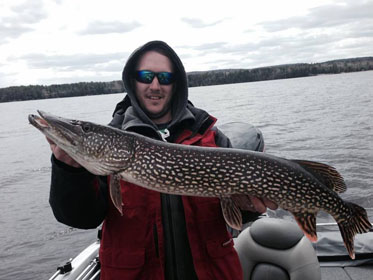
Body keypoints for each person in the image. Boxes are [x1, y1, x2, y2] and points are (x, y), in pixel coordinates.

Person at [48, 40, 277, 280]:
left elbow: (235, 215)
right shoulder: (110, 145)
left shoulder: (212, 137)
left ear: (176, 83)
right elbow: (80, 217)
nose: (155, 85)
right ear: (132, 82)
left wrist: (248, 207)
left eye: (164, 78)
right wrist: (67, 170)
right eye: (146, 76)